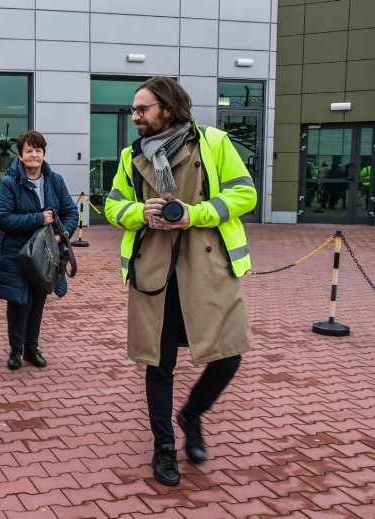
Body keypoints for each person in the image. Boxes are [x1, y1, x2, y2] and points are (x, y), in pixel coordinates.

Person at [104, 76, 256, 487]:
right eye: (134, 110)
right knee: (158, 364)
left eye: (142, 109)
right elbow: (112, 205)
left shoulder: (214, 143)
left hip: (208, 270)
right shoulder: (130, 155)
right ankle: (164, 447)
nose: (134, 116)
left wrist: (196, 214)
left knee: (228, 356)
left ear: (167, 110)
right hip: (154, 272)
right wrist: (139, 212)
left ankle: (191, 414)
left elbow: (246, 195)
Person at [0, 131, 77, 372]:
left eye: (38, 150)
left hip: (46, 254)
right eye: (29, 150)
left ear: (43, 154)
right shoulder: (11, 182)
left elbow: (70, 213)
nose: (34, 155)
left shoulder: (55, 181)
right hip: (16, 253)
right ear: (20, 156)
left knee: (38, 300)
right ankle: (15, 350)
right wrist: (38, 219)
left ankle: (32, 348)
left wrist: (60, 235)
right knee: (20, 301)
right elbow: (2, 218)